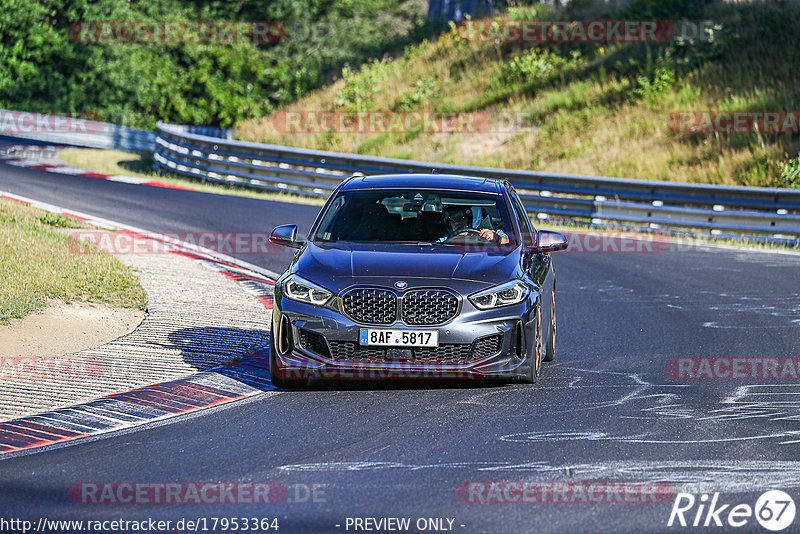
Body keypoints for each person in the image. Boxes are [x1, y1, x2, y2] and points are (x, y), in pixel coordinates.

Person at [439, 204, 509, 244]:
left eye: (461, 217)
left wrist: (495, 238)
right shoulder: (446, 238)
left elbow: (511, 244)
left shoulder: (490, 234)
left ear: (473, 217)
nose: (456, 221)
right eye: (452, 217)